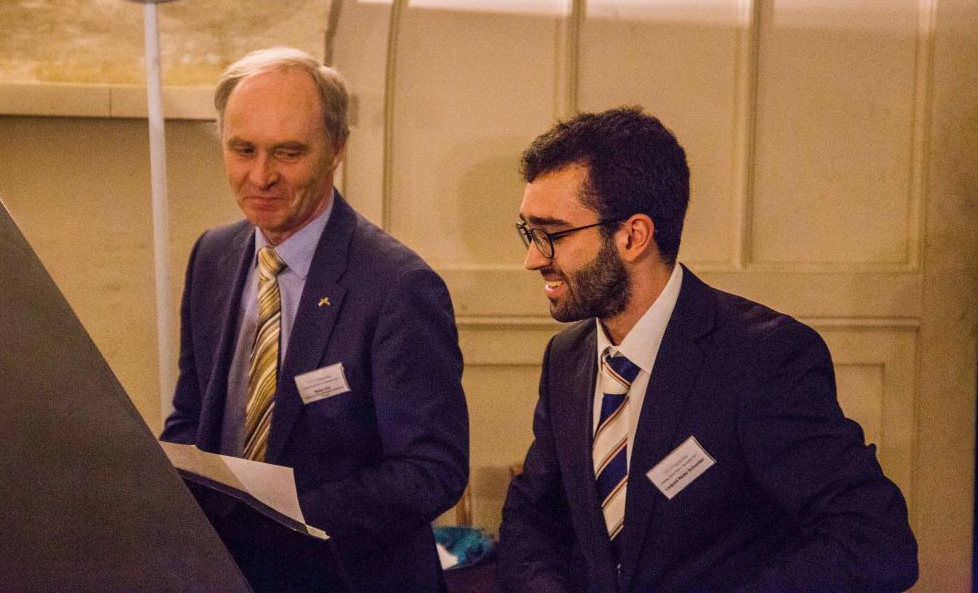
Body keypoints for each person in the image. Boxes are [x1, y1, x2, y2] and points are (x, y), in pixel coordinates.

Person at [496, 107, 917, 592]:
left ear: (633, 236)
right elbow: (532, 517)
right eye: (530, 233)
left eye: (552, 234)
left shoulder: (763, 357)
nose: (533, 259)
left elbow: (875, 543)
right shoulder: (567, 358)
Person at [160, 46, 468, 591]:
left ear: (336, 150)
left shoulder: (398, 287)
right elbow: (191, 416)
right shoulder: (212, 255)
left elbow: (431, 471)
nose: (261, 176)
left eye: (289, 152)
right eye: (243, 149)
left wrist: (279, 518)